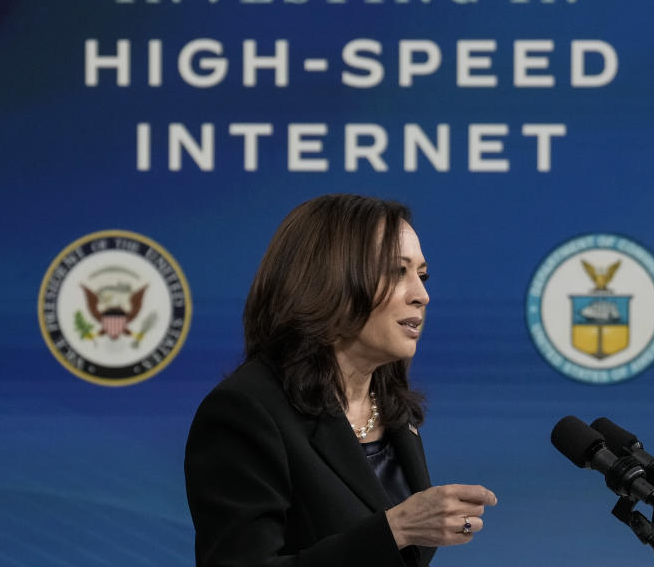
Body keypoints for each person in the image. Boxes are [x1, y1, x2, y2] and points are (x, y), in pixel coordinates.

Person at [185, 194, 497, 567]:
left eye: (422, 274)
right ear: (329, 281)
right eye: (398, 272)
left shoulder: (392, 408)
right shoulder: (246, 412)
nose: (422, 295)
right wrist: (394, 530)